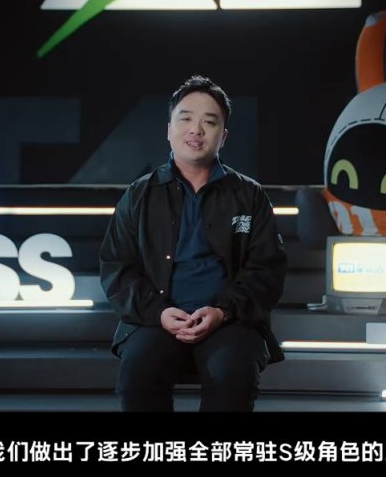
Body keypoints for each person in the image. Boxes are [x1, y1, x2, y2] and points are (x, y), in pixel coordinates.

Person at [100, 75, 287, 411]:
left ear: (223, 136)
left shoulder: (250, 195)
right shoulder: (139, 195)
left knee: (232, 372)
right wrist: (159, 313)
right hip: (156, 319)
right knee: (139, 372)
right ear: (169, 129)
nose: (196, 130)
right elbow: (117, 266)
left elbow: (267, 269)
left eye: (209, 122)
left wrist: (222, 311)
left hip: (229, 320)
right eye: (185, 119)